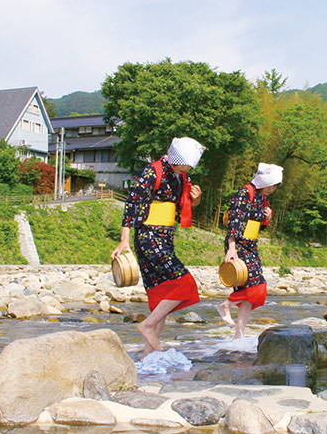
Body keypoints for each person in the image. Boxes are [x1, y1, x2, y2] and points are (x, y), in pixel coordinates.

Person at [111, 137, 205, 357]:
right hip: (148, 236)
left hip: (166, 237)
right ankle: (147, 325)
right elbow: (132, 204)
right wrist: (124, 239)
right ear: (174, 157)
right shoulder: (151, 172)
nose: (187, 169)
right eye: (184, 164)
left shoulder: (182, 176)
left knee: (161, 295)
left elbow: (184, 206)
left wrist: (197, 199)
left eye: (189, 166)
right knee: (185, 284)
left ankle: (147, 356)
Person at [216, 163, 282, 339]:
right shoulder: (245, 193)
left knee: (250, 294)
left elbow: (259, 226)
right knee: (257, 286)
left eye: (275, 186)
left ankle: (239, 335)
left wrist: (267, 218)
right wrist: (231, 248)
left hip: (252, 244)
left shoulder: (262, 198)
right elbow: (234, 222)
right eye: (271, 185)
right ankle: (226, 305)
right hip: (238, 244)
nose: (272, 189)